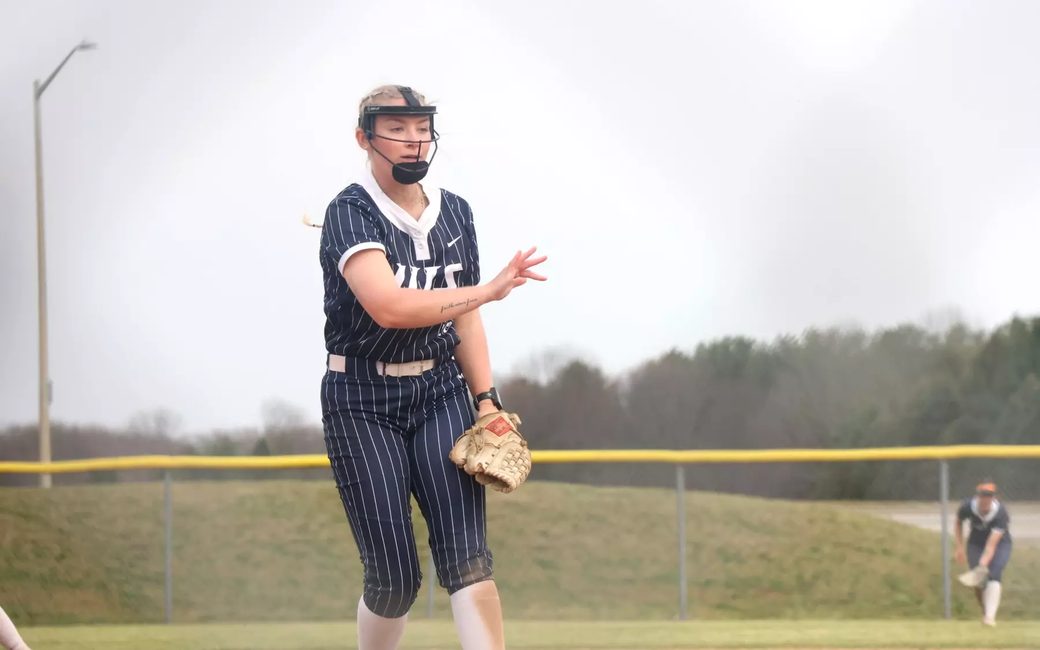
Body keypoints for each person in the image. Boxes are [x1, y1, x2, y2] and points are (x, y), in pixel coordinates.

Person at [316, 84, 547, 650]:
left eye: (421, 128)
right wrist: (488, 290)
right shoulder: (350, 211)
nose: (412, 140)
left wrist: (486, 398)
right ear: (364, 139)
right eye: (396, 129)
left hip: (440, 388)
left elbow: (465, 320)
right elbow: (389, 306)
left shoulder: (456, 213)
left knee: (469, 558)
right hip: (362, 398)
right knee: (395, 579)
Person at [955, 481, 1012, 627]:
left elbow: (991, 545)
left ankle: (989, 618)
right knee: (978, 581)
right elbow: (958, 522)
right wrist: (960, 547)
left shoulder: (1000, 513)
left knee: (994, 574)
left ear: (994, 498)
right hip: (976, 542)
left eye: (988, 496)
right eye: (982, 496)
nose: (985, 499)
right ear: (977, 496)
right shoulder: (968, 507)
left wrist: (983, 564)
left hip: (1000, 544)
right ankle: (986, 611)